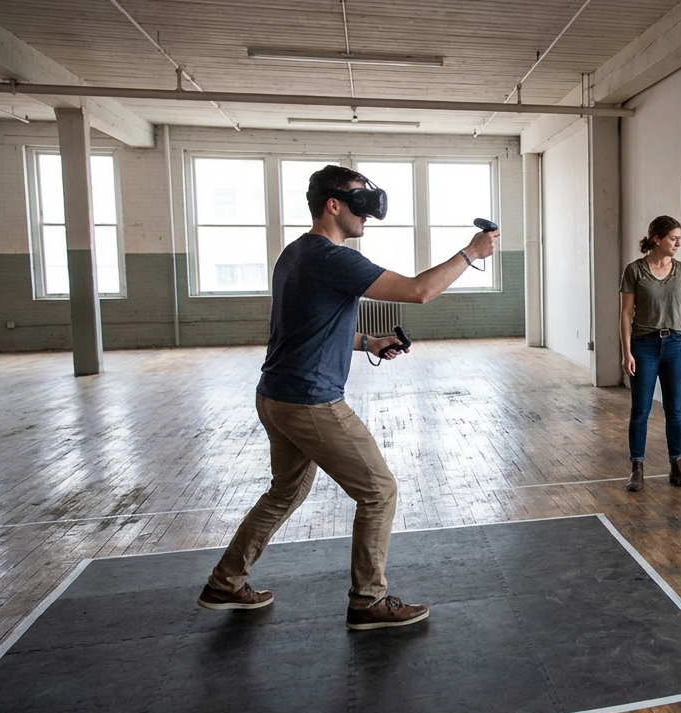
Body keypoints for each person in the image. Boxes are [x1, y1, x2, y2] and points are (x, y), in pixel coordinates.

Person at [197, 164, 499, 631]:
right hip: (311, 401)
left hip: (275, 395)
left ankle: (226, 581)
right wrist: (471, 253)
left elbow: (307, 327)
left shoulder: (296, 253)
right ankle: (368, 601)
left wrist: (368, 342)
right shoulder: (332, 258)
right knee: (379, 491)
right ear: (332, 205)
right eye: (357, 201)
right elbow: (419, 292)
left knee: (285, 492)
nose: (366, 214)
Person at [619, 215, 681, 492]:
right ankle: (637, 469)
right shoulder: (635, 271)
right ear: (657, 239)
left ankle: (677, 468)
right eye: (673, 238)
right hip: (644, 346)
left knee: (674, 411)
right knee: (640, 410)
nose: (678, 243)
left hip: (676, 345)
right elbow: (626, 313)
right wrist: (627, 352)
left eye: (679, 238)